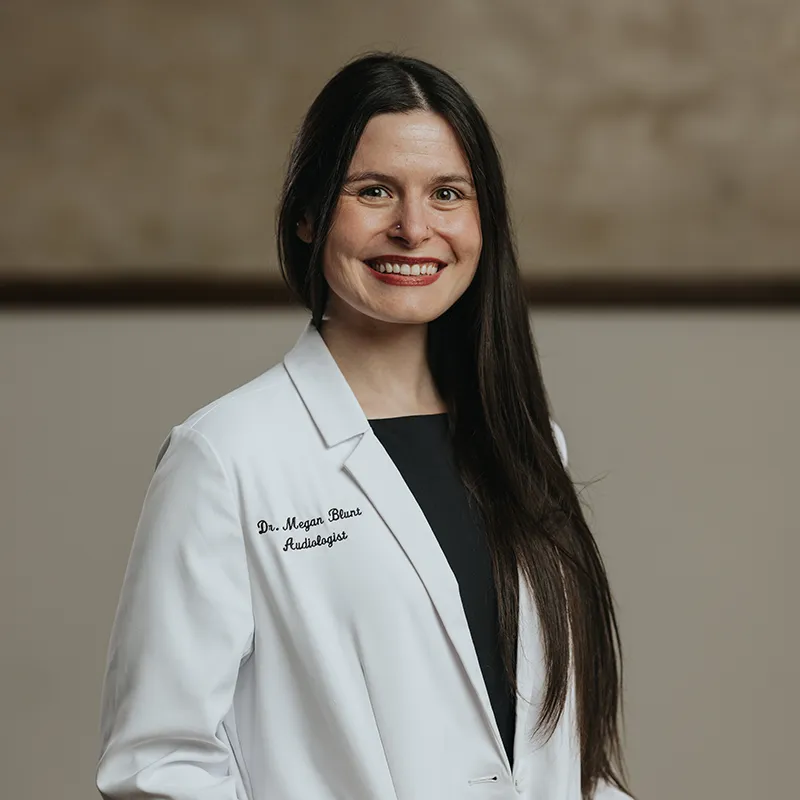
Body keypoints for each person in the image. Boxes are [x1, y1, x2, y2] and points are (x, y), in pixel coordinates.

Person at [95, 51, 635, 800]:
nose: (414, 229)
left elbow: (564, 755)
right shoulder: (224, 458)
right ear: (308, 216)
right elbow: (157, 768)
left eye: (447, 193)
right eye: (374, 191)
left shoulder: (528, 440)